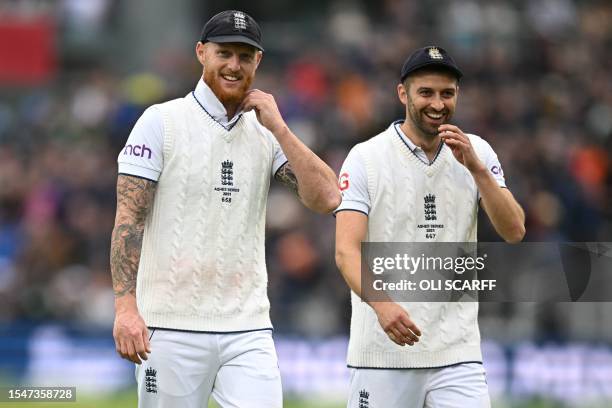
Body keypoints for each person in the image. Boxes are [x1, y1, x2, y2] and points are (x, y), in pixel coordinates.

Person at [110, 10, 341, 408]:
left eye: (245, 56)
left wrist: (281, 129)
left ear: (258, 62)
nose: (234, 65)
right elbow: (128, 220)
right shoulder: (160, 121)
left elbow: (328, 198)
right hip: (170, 325)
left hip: (247, 328)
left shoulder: (267, 134)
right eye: (225, 53)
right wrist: (126, 307)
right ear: (202, 53)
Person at [335, 46, 525, 407]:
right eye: (426, 92)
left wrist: (477, 169)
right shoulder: (366, 158)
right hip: (383, 353)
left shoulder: (477, 152)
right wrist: (382, 305)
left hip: (458, 352)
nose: (437, 103)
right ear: (403, 94)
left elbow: (514, 230)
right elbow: (346, 250)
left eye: (447, 93)